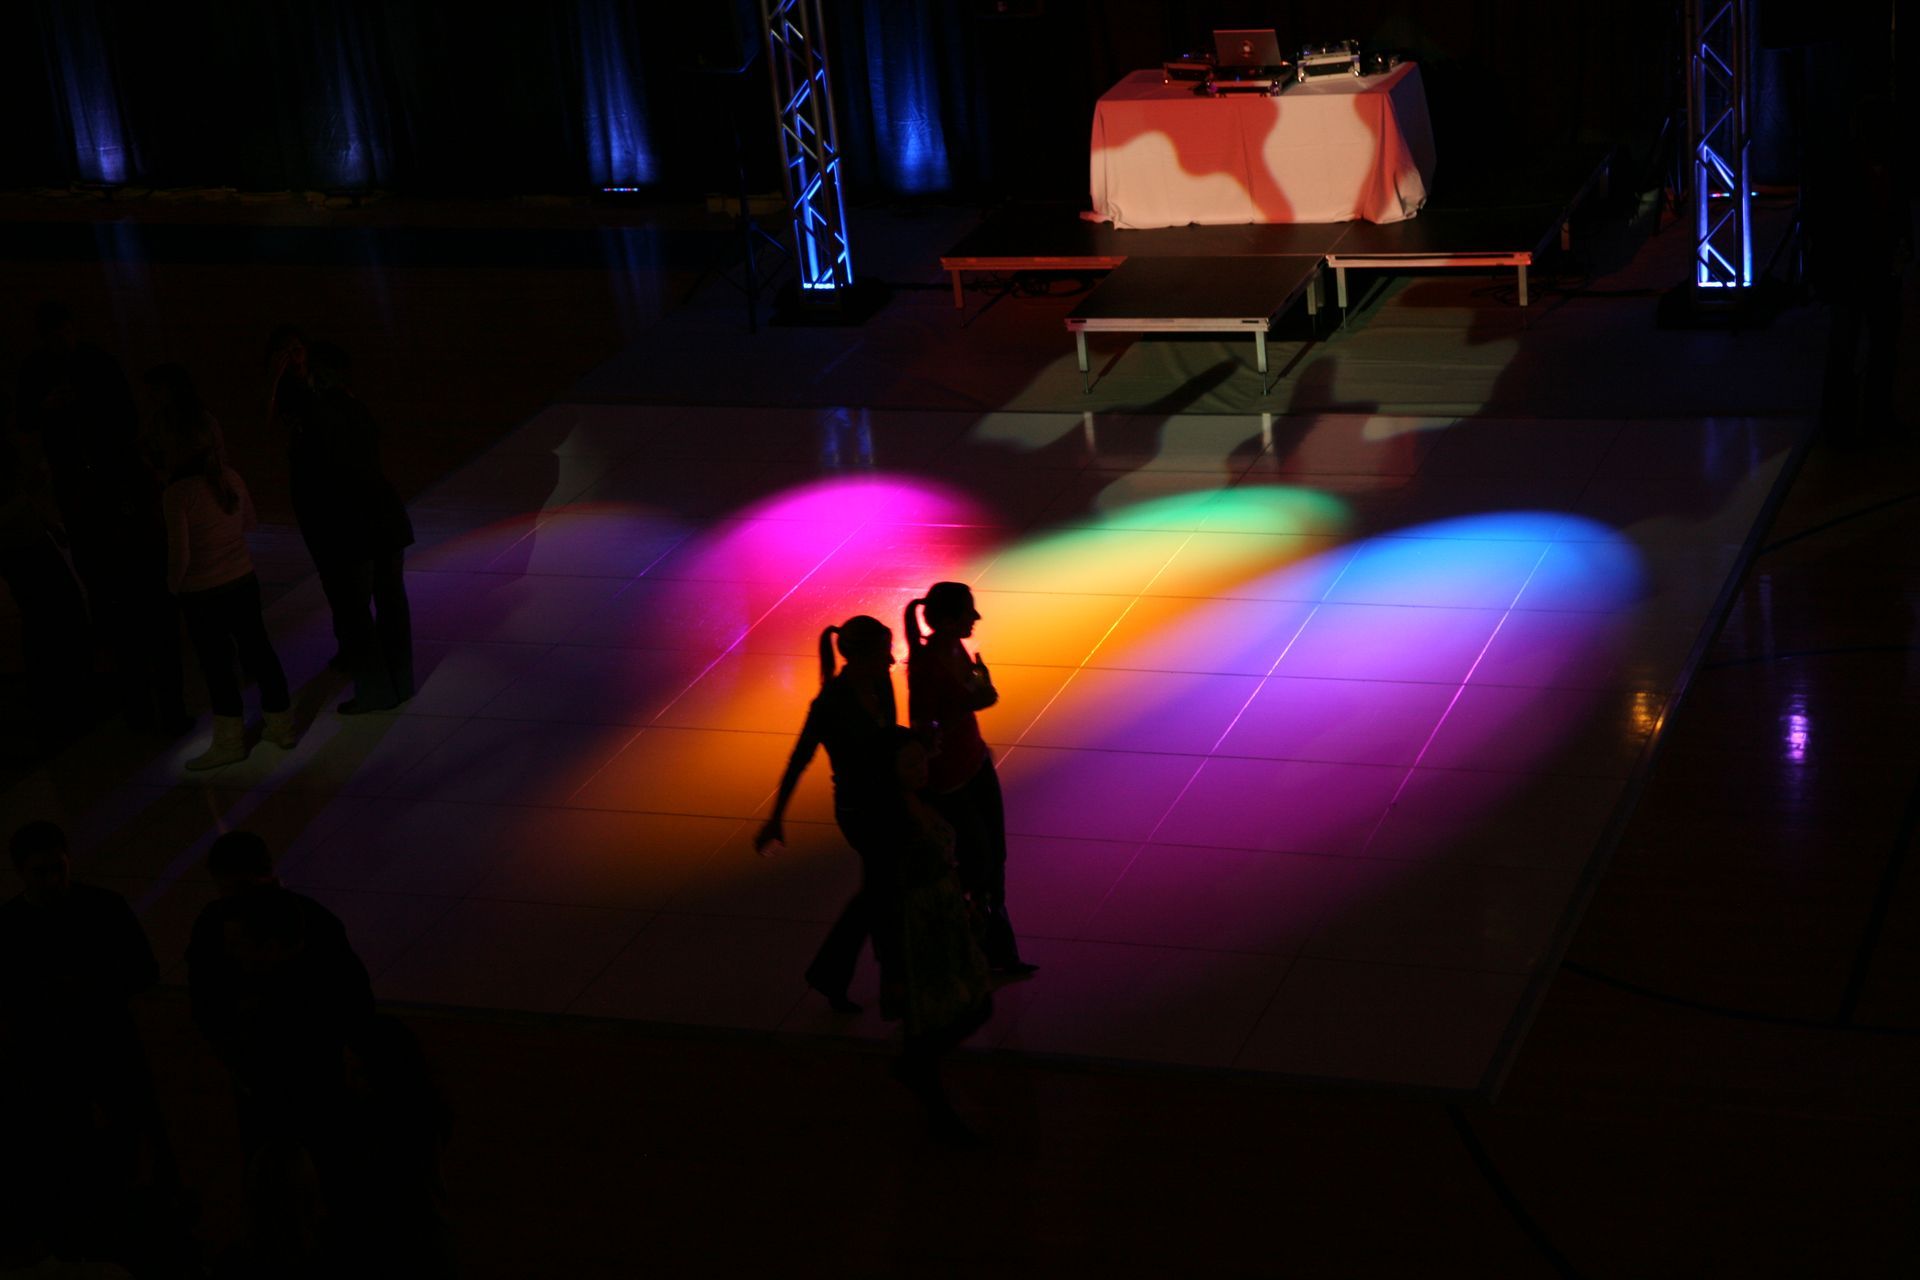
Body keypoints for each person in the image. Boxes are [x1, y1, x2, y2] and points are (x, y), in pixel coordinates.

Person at [0, 822, 176, 1263]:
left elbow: (145, 970)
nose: (51, 880)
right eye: (41, 872)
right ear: (21, 872)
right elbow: (143, 970)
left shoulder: (15, 924)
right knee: (104, 1137)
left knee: (95, 1137)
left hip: (66, 1051)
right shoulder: (100, 907)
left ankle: (94, 1228)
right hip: (90, 1047)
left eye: (56, 869)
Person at [755, 616, 904, 1014]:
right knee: (883, 891)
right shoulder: (830, 705)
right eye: (884, 652)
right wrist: (776, 817)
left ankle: (851, 975)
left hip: (886, 801)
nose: (891, 660)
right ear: (861, 656)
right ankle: (877, 976)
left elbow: (888, 735)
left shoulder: (878, 682)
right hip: (861, 810)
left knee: (880, 891)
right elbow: (799, 760)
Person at [267, 329, 415, 713]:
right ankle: (401, 680)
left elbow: (311, 473)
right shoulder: (356, 407)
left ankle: (376, 691)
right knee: (391, 603)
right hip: (386, 518)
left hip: (352, 529)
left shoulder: (316, 417)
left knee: (354, 614)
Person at [157, 366, 296, 769]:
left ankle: (230, 740)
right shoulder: (231, 477)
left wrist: (172, 587)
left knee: (217, 665)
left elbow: (180, 553)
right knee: (259, 650)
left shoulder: (177, 494)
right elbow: (250, 523)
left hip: (203, 591)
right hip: (242, 579)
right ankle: (282, 725)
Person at [904, 582, 1035, 977]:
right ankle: (985, 949)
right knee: (980, 862)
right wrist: (970, 704)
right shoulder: (927, 666)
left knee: (994, 856)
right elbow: (924, 730)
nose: (975, 618)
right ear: (946, 621)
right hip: (951, 780)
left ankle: (996, 950)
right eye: (968, 612)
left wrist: (977, 693)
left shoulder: (953, 648)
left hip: (973, 763)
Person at [885, 727, 993, 1144]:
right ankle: (932, 1096)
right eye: (910, 764)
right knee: (950, 1009)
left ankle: (921, 1076)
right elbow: (886, 889)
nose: (921, 769)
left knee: (966, 1004)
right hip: (923, 926)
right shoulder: (894, 820)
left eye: (921, 760)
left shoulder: (922, 801)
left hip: (943, 915)